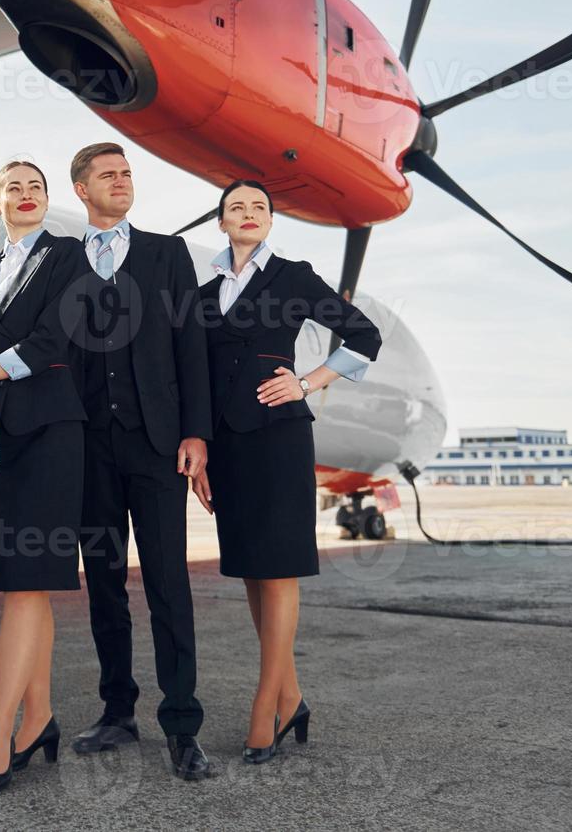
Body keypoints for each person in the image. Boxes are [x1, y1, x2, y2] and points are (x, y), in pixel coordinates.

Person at [191, 179, 382, 763]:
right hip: (226, 448)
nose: (247, 215)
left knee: (278, 572)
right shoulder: (201, 294)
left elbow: (364, 336)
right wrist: (198, 447)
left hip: (278, 438)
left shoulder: (292, 275)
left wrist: (306, 382)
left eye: (258, 208)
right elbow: (195, 375)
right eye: (235, 208)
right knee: (252, 570)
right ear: (220, 223)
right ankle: (292, 697)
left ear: (270, 221)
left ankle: (265, 703)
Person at [65, 142, 214, 780]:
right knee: (103, 584)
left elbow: (191, 348)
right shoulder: (63, 260)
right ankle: (117, 710)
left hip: (157, 444)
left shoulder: (167, 253)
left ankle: (182, 723)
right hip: (89, 445)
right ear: (82, 189)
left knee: (167, 585)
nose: (122, 181)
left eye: (127, 173)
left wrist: (196, 434)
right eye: (108, 175)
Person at [0, 160, 87, 796]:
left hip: (52, 433)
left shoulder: (68, 256)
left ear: (47, 199)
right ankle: (41, 718)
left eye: (36, 187)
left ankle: (0, 730)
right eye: (14, 188)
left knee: (27, 585)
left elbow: (54, 338)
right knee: (20, 580)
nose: (27, 195)